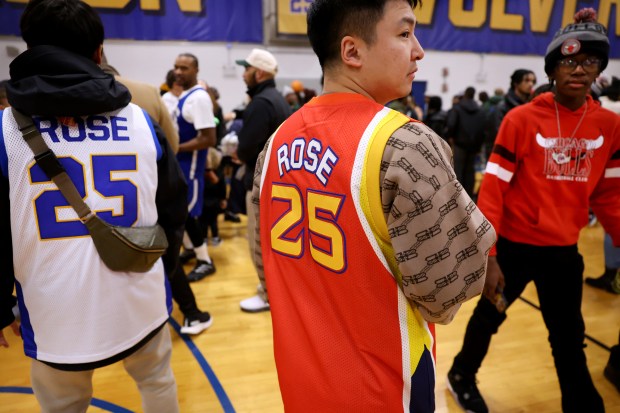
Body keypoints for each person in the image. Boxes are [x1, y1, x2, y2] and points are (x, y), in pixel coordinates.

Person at [249, 0, 496, 411]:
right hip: (385, 388)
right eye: (404, 33)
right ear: (352, 51)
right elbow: (446, 294)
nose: (419, 50)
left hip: (301, 381)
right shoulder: (406, 144)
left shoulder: (274, 145)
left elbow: (265, 265)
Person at [0, 1, 188, 411]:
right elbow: (175, 209)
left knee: (63, 403)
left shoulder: (4, 131)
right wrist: (166, 269)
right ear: (99, 52)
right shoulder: (141, 120)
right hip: (139, 294)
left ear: (28, 48)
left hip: (55, 311)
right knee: (158, 383)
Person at [447, 9, 620, 413]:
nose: (578, 70)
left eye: (589, 62)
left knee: (567, 337)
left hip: (563, 253)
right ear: (551, 69)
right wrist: (489, 257)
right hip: (512, 249)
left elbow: (609, 196)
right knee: (488, 320)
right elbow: (491, 191)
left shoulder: (608, 127)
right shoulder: (520, 120)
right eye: (568, 61)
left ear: (599, 70)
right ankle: (460, 374)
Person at [235, 48, 292, 312]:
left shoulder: (260, 103)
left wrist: (237, 152)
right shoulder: (278, 99)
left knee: (258, 243)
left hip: (261, 186)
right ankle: (276, 291)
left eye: (246, 69)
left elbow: (246, 149)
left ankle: (267, 294)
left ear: (258, 73)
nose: (243, 74)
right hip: (279, 184)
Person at [171, 53, 218, 281]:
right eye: (176, 67)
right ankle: (191, 249)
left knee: (188, 215)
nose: (179, 71)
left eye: (184, 68)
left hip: (191, 167)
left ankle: (205, 260)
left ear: (196, 70)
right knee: (183, 214)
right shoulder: (186, 96)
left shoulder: (199, 98)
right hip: (181, 164)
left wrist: (176, 147)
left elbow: (209, 138)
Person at [445, 86, 486, 197]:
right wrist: (479, 144)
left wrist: (449, 137)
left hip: (459, 143)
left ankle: (457, 195)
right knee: (470, 171)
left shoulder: (457, 108)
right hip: (474, 145)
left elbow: (451, 124)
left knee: (458, 169)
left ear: (465, 95)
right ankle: (468, 196)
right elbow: (483, 128)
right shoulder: (480, 110)